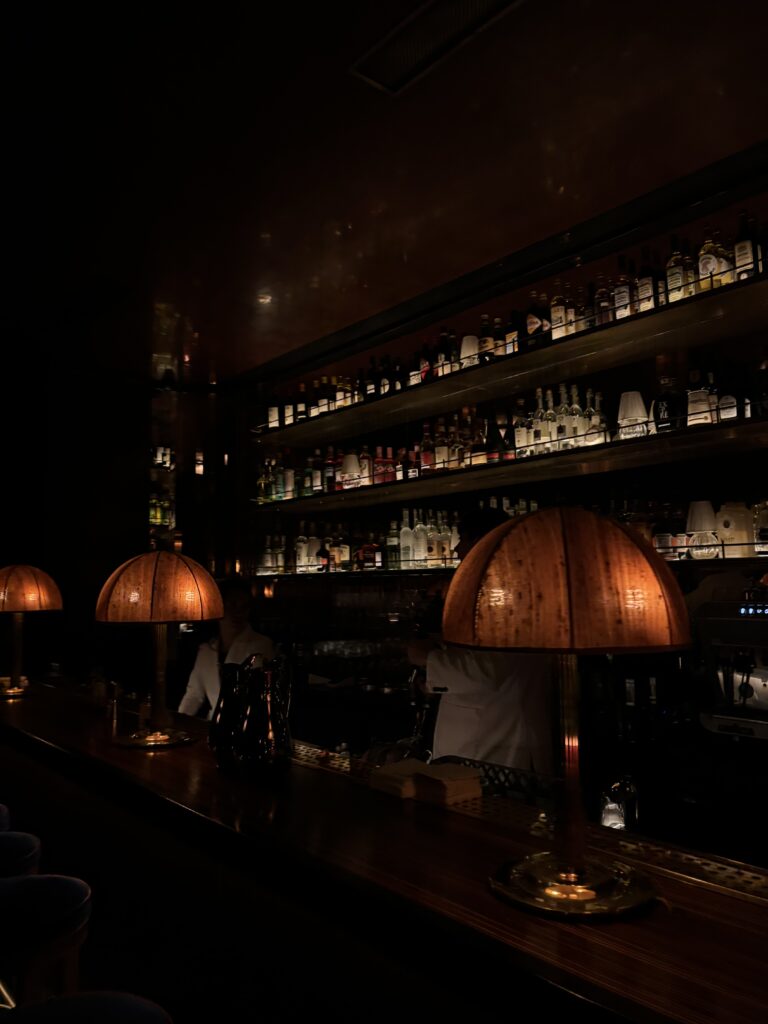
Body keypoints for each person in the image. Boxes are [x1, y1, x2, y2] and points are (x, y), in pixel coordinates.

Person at [407, 506, 555, 775]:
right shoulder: (511, 589)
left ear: (483, 544)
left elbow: (486, 671)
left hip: (494, 747)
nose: (457, 550)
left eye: (463, 540)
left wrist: (425, 657)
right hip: (487, 738)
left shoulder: (509, 596)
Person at [178, 577, 274, 719]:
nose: (238, 612)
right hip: (215, 728)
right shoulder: (206, 651)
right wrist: (179, 724)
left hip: (247, 727)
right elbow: (193, 696)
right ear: (219, 606)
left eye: (244, 607)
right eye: (233, 605)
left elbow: (261, 696)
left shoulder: (261, 645)